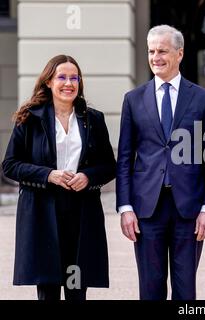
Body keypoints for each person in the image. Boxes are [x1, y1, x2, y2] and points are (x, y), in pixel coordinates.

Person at [116, 24, 205, 300]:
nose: (155, 57)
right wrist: (125, 207)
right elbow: (125, 158)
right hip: (145, 208)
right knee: (150, 288)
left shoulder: (202, 98)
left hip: (189, 208)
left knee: (185, 290)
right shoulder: (133, 99)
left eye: (162, 51)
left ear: (180, 54)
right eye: (151, 51)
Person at [2, 55, 116, 300]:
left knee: (76, 287)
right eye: (62, 77)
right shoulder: (30, 118)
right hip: (43, 214)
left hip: (81, 212)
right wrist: (48, 175)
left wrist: (88, 176)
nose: (69, 83)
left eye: (74, 78)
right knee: (49, 290)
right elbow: (10, 165)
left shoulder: (93, 120)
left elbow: (109, 166)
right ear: (49, 82)